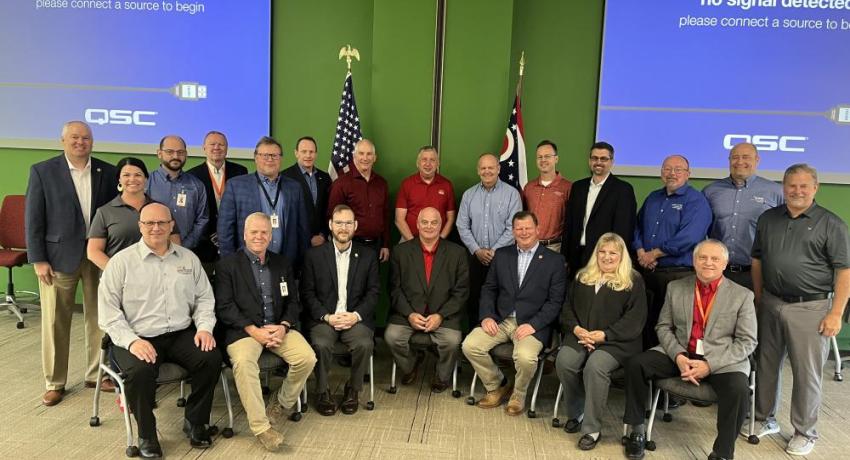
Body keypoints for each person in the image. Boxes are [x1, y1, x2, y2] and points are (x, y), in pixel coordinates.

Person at [98, 203, 222, 458]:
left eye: (162, 223)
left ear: (171, 225)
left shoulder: (188, 259)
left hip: (180, 333)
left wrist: (205, 328)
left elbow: (205, 299)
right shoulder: (121, 262)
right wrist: (132, 342)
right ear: (140, 226)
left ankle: (195, 422)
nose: (156, 228)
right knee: (139, 372)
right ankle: (147, 434)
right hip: (137, 335)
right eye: (149, 223)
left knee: (210, 358)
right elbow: (108, 313)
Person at [622, 239, 756, 460]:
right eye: (702, 258)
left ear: (725, 263)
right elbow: (663, 326)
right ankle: (637, 431)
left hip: (722, 359)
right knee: (637, 364)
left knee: (738, 389)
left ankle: (723, 452)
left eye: (715, 259)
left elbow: (747, 342)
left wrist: (709, 365)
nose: (708, 263)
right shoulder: (676, 287)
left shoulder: (742, 296)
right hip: (681, 352)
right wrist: (678, 356)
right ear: (694, 261)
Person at [751, 164, 850, 456]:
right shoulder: (768, 218)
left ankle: (805, 432)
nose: (797, 191)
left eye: (803, 186)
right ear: (783, 187)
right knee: (766, 366)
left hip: (811, 306)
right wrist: (759, 298)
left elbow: (844, 271)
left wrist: (835, 313)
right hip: (770, 302)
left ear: (815, 188)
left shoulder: (831, 223)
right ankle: (763, 419)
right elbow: (757, 260)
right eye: (791, 185)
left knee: (807, 374)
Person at [25, 120, 118, 406]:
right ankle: (55, 381)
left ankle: (95, 374)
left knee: (98, 317)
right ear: (63, 140)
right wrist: (38, 259)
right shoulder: (43, 171)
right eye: (75, 137)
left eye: (86, 138)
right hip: (57, 258)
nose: (81, 142)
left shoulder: (107, 171)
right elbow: (34, 219)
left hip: (97, 257)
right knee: (56, 320)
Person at [215, 212, 317, 452]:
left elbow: (293, 301)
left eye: (264, 232)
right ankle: (261, 428)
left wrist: (283, 326)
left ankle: (280, 404)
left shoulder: (282, 263)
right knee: (243, 362)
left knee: (307, 357)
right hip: (244, 331)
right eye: (254, 232)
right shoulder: (227, 266)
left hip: (278, 327)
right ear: (244, 234)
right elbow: (224, 306)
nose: (259, 237)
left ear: (271, 236)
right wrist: (253, 330)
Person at [461, 211, 566, 416]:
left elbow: (555, 302)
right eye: (519, 228)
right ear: (513, 231)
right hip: (501, 319)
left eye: (528, 228)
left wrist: (534, 324)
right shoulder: (502, 255)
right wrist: (487, 316)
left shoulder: (555, 261)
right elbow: (489, 288)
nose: (524, 232)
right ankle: (497, 385)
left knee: (525, 357)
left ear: (537, 229)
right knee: (469, 345)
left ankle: (518, 395)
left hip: (533, 323)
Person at [557, 232, 647, 451]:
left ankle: (591, 429)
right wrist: (577, 330)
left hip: (616, 341)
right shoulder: (582, 276)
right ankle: (577, 412)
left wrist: (604, 335)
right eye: (602, 252)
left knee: (595, 367)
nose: (607, 257)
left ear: (622, 255)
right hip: (581, 336)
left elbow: (635, 319)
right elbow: (566, 308)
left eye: (613, 253)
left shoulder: (632, 280)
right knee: (564, 361)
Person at [300, 205, 379, 415]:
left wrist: (355, 316)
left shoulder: (368, 256)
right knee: (321, 344)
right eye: (339, 223)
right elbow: (307, 293)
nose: (343, 228)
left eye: (347, 223)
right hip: (324, 319)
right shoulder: (314, 256)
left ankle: (353, 389)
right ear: (330, 225)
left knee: (364, 343)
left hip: (355, 319)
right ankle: (323, 391)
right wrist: (327, 316)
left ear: (355, 226)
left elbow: (373, 293)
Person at [386, 207, 469, 392]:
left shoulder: (457, 253)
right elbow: (394, 289)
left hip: (444, 316)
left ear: (442, 225)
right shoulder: (400, 252)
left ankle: (442, 375)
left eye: (434, 222)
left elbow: (461, 292)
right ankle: (411, 365)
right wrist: (409, 314)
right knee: (392, 337)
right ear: (417, 224)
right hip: (408, 314)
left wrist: (440, 315)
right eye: (424, 222)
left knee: (452, 340)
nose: (429, 226)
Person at [633, 154, 712, 349]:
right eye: (667, 169)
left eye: (678, 169)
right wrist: (641, 251)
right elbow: (637, 226)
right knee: (647, 324)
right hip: (648, 273)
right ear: (661, 173)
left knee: (674, 327)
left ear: (688, 174)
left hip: (678, 275)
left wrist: (655, 254)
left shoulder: (697, 201)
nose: (672, 173)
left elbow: (690, 237)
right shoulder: (653, 198)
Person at [217, 136, 310, 266]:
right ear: (256, 158)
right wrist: (231, 266)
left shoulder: (294, 187)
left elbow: (302, 230)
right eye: (265, 155)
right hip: (245, 265)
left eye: (274, 155)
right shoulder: (235, 186)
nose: (270, 159)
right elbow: (224, 231)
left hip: (285, 265)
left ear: (281, 158)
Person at [702, 142, 783, 289]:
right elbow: (702, 231)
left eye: (746, 157)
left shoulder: (776, 192)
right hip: (718, 272)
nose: (740, 162)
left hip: (756, 274)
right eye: (735, 157)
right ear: (729, 161)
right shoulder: (710, 191)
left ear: (757, 160)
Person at [457, 153, 522, 328]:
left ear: (498, 169)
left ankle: (495, 341)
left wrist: (494, 251)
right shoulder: (469, 195)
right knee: (474, 300)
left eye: (491, 167)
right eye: (483, 168)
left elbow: (513, 228)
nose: (487, 171)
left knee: (501, 299)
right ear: (478, 170)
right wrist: (477, 250)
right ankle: (472, 340)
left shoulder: (512, 194)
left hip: (503, 257)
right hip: (475, 258)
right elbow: (462, 226)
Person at [88, 157, 181, 272]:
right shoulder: (104, 212)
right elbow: (93, 252)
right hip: (119, 281)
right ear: (119, 180)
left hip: (156, 277)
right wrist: (117, 273)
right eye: (126, 175)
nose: (132, 179)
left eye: (138, 175)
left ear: (146, 179)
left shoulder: (161, 209)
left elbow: (175, 244)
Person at [562, 142, 636, 278]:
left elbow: (623, 229)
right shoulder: (578, 187)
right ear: (589, 161)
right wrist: (565, 257)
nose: (598, 162)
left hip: (604, 259)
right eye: (594, 158)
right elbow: (569, 224)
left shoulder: (623, 190)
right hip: (576, 257)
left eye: (604, 159)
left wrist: (614, 258)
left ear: (611, 162)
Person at [186, 131, 248, 270]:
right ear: (204, 148)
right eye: (212, 144)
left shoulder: (240, 171)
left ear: (227, 148)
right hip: (204, 243)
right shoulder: (193, 175)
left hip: (234, 241)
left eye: (221, 144)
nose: (217, 147)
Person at [327, 138, 391, 262]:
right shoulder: (342, 183)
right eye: (361, 154)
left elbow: (385, 215)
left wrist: (385, 244)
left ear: (375, 157)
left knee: (372, 281)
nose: (365, 158)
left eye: (369, 154)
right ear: (354, 156)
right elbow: (332, 215)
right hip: (350, 245)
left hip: (376, 247)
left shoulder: (382, 183)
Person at [146, 135, 209, 250]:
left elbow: (202, 219)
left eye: (180, 152)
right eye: (170, 152)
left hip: (186, 251)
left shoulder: (197, 185)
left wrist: (184, 246)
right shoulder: (147, 182)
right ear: (159, 153)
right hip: (152, 251)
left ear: (186, 154)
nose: (176, 156)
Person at [395, 146, 456, 241]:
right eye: (424, 159)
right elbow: (399, 219)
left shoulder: (446, 185)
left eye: (432, 160)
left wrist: (440, 242)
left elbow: (450, 219)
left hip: (439, 241)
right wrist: (412, 243)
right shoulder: (407, 184)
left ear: (438, 163)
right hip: (410, 239)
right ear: (418, 163)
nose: (428, 163)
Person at [282, 136, 332, 247]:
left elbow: (328, 209)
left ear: (316, 154)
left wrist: (323, 235)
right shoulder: (285, 177)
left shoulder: (325, 178)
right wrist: (307, 238)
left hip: (321, 243)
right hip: (296, 243)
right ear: (296, 153)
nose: (308, 155)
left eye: (311, 152)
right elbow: (286, 214)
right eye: (304, 151)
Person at [522, 140, 571, 252]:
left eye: (547, 156)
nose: (543, 160)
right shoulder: (529, 187)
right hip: (530, 246)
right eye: (539, 157)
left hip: (556, 247)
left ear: (556, 159)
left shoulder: (568, 187)